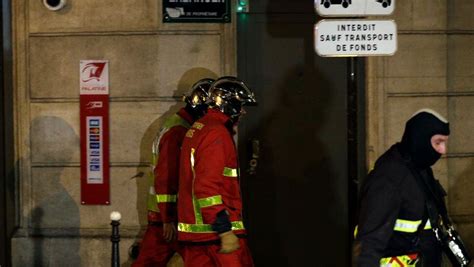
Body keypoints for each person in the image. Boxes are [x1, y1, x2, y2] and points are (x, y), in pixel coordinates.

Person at [132, 78, 214, 267]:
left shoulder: (177, 125)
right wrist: (168, 218)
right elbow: (167, 175)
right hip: (171, 217)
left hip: (167, 215)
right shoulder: (179, 131)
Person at [354, 109, 450, 267]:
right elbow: (368, 245)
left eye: (445, 142)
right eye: (438, 142)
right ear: (420, 138)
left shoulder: (420, 170)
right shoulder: (389, 178)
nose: (443, 150)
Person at [177, 76, 256, 267]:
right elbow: (206, 186)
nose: (243, 111)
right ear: (229, 104)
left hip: (198, 235)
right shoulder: (217, 133)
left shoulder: (200, 128)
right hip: (215, 235)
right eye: (240, 105)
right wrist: (225, 230)